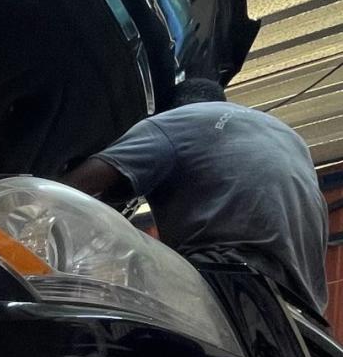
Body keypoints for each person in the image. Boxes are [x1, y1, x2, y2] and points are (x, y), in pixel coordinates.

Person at [65, 77, 328, 317]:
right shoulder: (286, 134)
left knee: (100, 303)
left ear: (168, 109)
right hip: (304, 306)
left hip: (228, 277)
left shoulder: (173, 122)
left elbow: (76, 187)